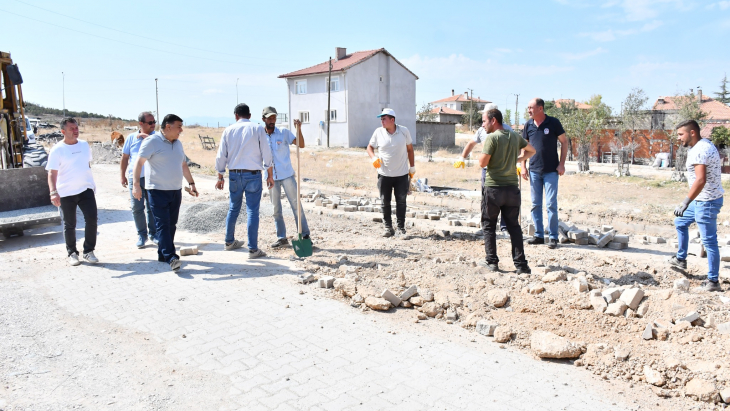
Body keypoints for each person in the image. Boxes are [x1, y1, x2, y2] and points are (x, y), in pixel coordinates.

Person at [132, 114, 198, 272]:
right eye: (179, 127)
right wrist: (136, 185)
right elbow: (138, 163)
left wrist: (192, 183)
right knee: (162, 224)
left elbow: (183, 165)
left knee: (171, 224)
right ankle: (171, 256)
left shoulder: (178, 144)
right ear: (168, 127)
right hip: (157, 191)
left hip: (175, 190)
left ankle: (163, 253)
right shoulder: (152, 141)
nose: (181, 130)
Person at [477, 109, 535, 273]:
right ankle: (521, 265)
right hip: (511, 190)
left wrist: (483, 153)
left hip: (494, 189)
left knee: (489, 225)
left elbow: (482, 163)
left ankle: (492, 261)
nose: (483, 125)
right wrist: (517, 160)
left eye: (484, 121)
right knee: (513, 227)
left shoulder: (492, 138)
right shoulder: (515, 136)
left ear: (493, 120)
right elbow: (532, 150)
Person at [670, 120, 725, 291]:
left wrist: (685, 201)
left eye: (681, 134)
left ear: (692, 132)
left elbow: (701, 179)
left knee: (709, 241)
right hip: (702, 199)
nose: (678, 138)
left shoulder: (699, 150)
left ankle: (713, 281)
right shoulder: (704, 145)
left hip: (706, 201)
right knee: (680, 222)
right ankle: (681, 259)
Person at [214, 104, 274, 258]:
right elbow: (266, 152)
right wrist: (270, 174)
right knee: (252, 210)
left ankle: (229, 241)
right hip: (253, 174)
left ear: (235, 116)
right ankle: (253, 249)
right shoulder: (257, 128)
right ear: (249, 115)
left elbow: (221, 155)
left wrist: (220, 176)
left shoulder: (228, 130)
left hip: (234, 174)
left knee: (233, 208)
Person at [46, 117, 99, 266]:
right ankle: (72, 253)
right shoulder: (57, 150)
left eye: (76, 128)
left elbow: (86, 164)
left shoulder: (84, 145)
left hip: (85, 189)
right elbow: (52, 173)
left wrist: (91, 183)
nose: (76, 131)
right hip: (66, 193)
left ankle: (89, 251)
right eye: (72, 129)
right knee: (69, 224)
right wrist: (53, 192)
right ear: (63, 131)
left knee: (92, 220)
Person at [454, 103, 513, 233]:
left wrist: (518, 163)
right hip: (487, 171)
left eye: (485, 117)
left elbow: (517, 146)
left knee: (504, 199)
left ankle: (504, 227)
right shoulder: (482, 130)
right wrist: (462, 158)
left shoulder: (507, 130)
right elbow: (471, 143)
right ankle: (486, 226)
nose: (483, 121)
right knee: (487, 199)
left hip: (504, 170)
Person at [520, 98, 568, 249]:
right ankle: (539, 235)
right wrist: (523, 166)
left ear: (540, 108)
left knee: (551, 204)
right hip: (534, 170)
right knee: (535, 204)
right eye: (528, 107)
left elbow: (564, 141)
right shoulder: (528, 125)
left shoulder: (553, 123)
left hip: (551, 171)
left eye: (531, 107)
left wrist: (562, 164)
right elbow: (523, 146)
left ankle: (553, 237)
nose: (528, 110)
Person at [261, 106, 310, 248]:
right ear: (263, 119)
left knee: (296, 206)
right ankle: (281, 238)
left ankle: (305, 235)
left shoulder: (283, 133)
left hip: (287, 175)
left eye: (274, 117)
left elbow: (301, 144)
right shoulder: (260, 136)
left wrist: (298, 129)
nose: (272, 120)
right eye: (269, 118)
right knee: (276, 209)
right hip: (271, 177)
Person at [367, 108, 415, 237]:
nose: (381, 121)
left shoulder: (404, 131)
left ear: (392, 120)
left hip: (402, 174)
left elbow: (410, 149)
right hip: (384, 174)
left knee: (401, 201)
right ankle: (388, 228)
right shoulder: (378, 132)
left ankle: (401, 228)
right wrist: (373, 158)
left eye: (384, 119)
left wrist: (412, 166)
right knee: (385, 202)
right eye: (381, 119)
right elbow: (369, 147)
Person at [120, 111, 158, 248]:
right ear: (141, 124)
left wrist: (147, 138)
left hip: (151, 178)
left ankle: (154, 234)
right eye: (150, 122)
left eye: (154, 122)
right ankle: (142, 235)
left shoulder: (157, 137)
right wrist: (122, 175)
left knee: (151, 207)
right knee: (137, 208)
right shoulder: (131, 138)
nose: (154, 124)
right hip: (134, 178)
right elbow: (125, 158)